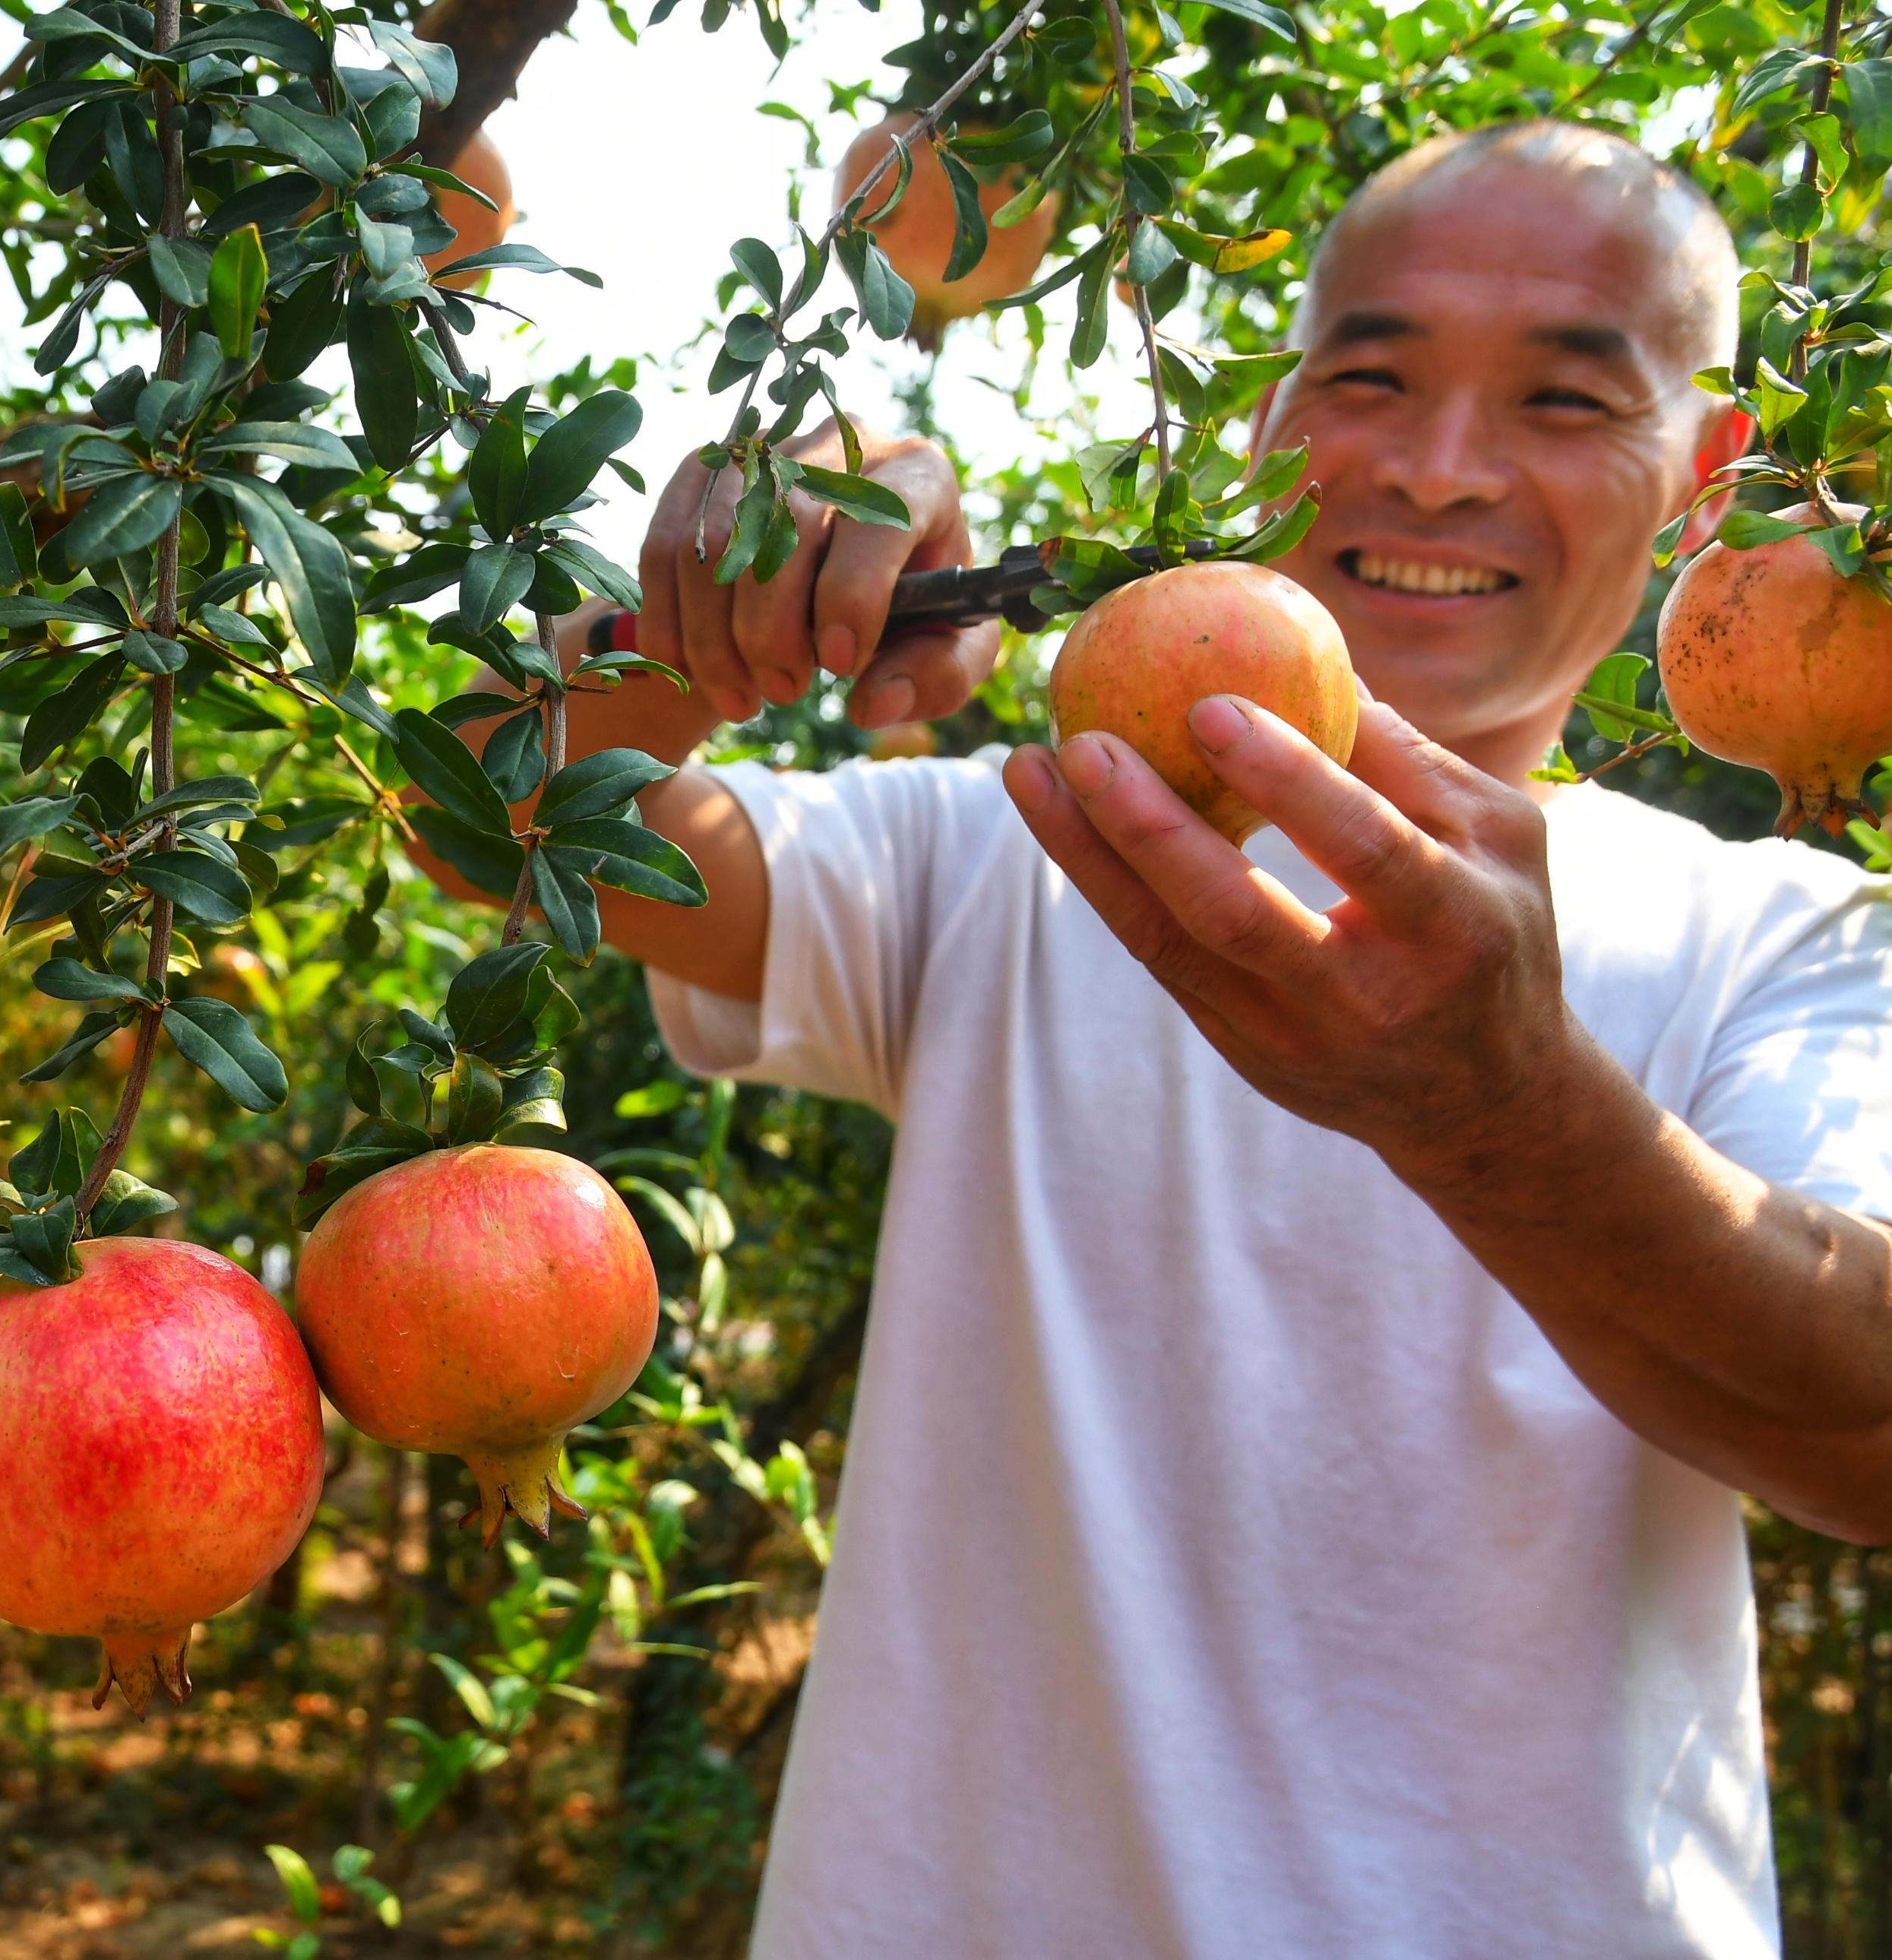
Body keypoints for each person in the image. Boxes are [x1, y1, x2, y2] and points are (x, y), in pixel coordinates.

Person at [454, 122, 1892, 1955]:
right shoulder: (1003, 855)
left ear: (1699, 480)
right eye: (1365, 379)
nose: (1438, 471)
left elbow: (1863, 1431)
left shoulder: (1794, 940)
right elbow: (489, 806)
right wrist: (704, 623)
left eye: (1557, 400)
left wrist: (1494, 1112)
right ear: (1261, 421)